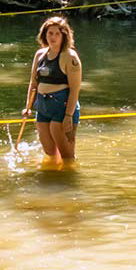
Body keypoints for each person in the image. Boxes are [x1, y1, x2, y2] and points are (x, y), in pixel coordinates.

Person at [20, 16, 84, 163]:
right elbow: (33, 83)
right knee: (49, 153)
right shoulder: (40, 55)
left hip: (62, 105)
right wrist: (28, 107)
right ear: (44, 34)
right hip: (42, 105)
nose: (53, 37)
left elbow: (75, 89)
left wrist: (68, 115)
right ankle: (53, 179)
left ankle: (68, 181)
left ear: (64, 36)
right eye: (50, 33)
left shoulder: (70, 57)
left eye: (57, 34)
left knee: (67, 157)